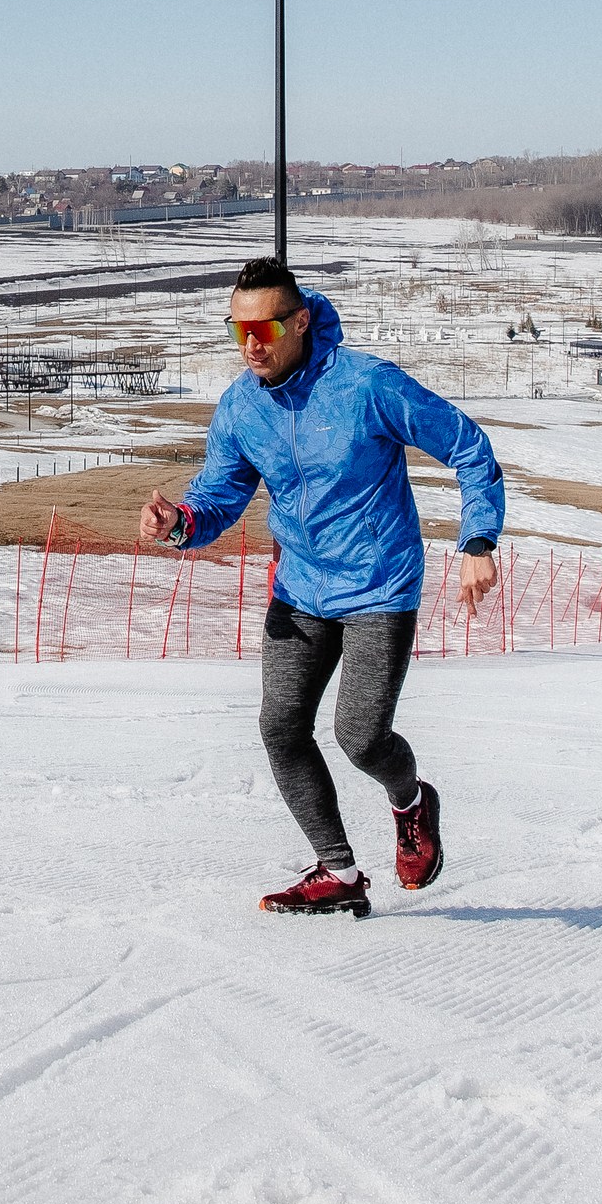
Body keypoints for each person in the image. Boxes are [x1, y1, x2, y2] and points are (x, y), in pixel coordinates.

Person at [138, 257, 504, 918]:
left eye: (268, 328)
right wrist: (180, 523)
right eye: (238, 330)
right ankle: (337, 871)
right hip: (301, 588)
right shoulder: (242, 407)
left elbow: (468, 447)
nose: (252, 344)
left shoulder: (367, 386)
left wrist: (477, 541)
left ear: (301, 322)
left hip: (378, 584)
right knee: (281, 727)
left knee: (360, 736)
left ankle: (411, 802)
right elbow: (219, 496)